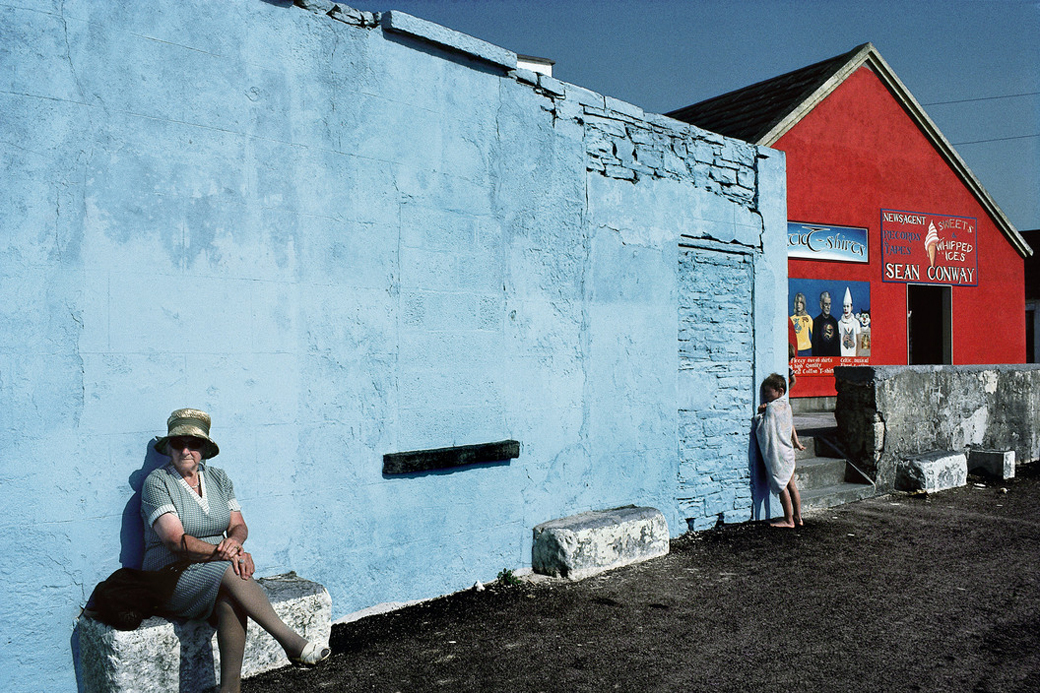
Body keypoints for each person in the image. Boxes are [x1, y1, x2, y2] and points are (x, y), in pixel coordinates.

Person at [141, 408, 329, 692]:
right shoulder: (157, 482)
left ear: (204, 448)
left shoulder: (218, 478)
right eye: (179, 443)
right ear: (169, 447)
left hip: (214, 571)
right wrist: (228, 553)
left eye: (194, 444)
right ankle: (292, 643)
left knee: (230, 600)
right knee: (231, 570)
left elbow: (238, 526)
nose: (186, 450)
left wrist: (236, 544)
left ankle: (231, 690)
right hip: (169, 576)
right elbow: (174, 541)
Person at [753, 374, 803, 528]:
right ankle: (798, 517)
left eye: (769, 392)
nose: (766, 395)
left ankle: (788, 520)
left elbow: (765, 429)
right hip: (788, 452)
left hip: (778, 454)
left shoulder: (771, 408)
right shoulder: (787, 406)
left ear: (780, 391)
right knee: (792, 485)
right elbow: (791, 425)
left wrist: (759, 415)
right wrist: (796, 442)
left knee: (782, 487)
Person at [811, 291, 840, 356]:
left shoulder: (834, 321)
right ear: (821, 305)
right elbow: (815, 345)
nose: (828, 307)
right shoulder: (816, 322)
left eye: (829, 304)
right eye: (826, 304)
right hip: (821, 359)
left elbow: (837, 344)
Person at [837, 287, 861, 357]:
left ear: (851, 307)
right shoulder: (839, 323)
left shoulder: (856, 323)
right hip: (842, 357)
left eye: (848, 306)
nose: (846, 309)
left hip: (853, 356)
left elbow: (859, 341)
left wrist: (857, 357)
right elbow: (838, 342)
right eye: (844, 306)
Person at [789, 292, 813, 356]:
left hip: (807, 350)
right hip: (795, 350)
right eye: (797, 302)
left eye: (800, 302)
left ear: (803, 304)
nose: (798, 305)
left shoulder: (808, 318)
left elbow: (815, 334)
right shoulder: (791, 319)